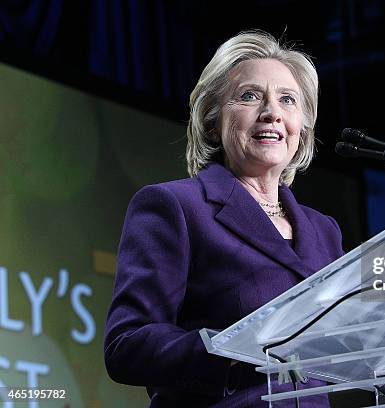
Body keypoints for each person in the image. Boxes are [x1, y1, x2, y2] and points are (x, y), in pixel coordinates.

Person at [103, 30, 344, 407]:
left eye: (287, 100)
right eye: (250, 96)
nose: (272, 112)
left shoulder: (324, 231)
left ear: (303, 126)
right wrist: (229, 349)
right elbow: (127, 344)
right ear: (214, 121)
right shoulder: (176, 206)